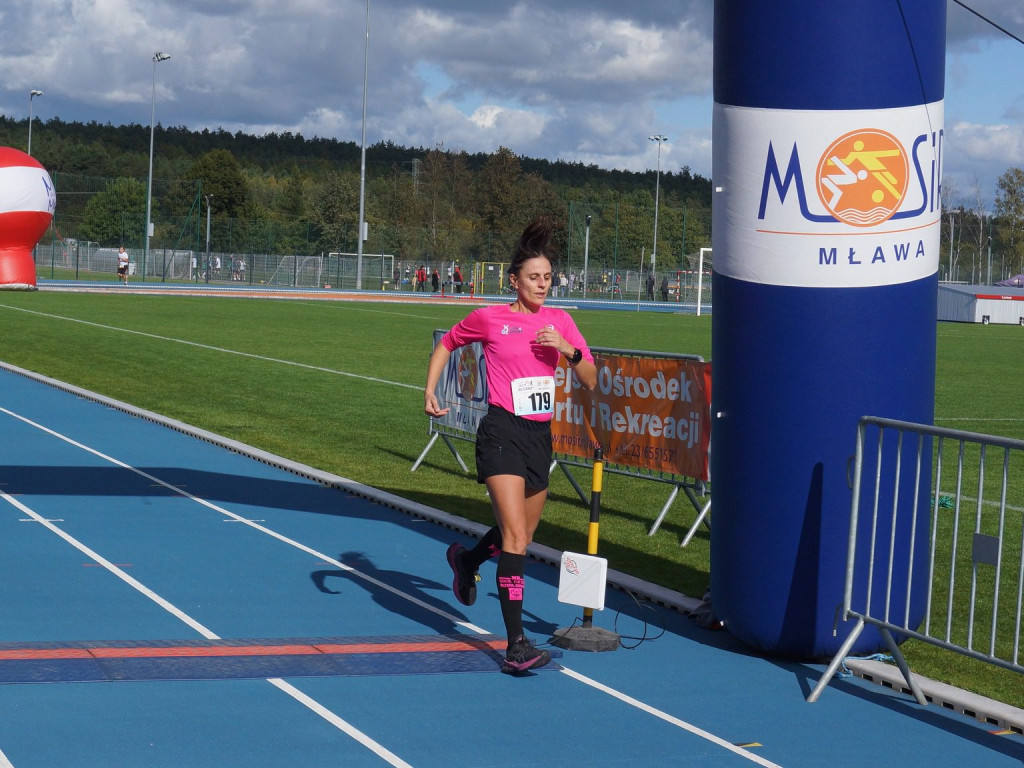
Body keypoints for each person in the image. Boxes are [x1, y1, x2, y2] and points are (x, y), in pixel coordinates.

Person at [424, 216, 597, 675]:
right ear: (514, 280)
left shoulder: (561, 322)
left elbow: (591, 377)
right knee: (517, 538)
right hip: (501, 432)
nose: (542, 285)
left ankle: (468, 558)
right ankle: (515, 645)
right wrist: (430, 389)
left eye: (547, 278)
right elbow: (447, 346)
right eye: (533, 278)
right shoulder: (491, 318)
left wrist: (567, 349)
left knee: (516, 537)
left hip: (541, 437)